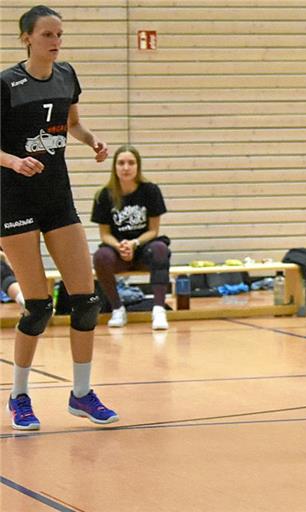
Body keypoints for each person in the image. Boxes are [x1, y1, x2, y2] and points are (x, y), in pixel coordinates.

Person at [0, 5, 118, 430]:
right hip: (13, 200)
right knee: (37, 308)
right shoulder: (6, 83)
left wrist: (92, 141)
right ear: (27, 38)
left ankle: (82, 395)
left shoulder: (67, 75)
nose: (55, 42)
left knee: (86, 301)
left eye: (59, 35)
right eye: (47, 35)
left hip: (57, 199)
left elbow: (72, 125)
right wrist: (13, 162)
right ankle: (19, 398)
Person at [91, 145, 170, 330]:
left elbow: (153, 231)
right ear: (114, 167)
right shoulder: (103, 195)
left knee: (161, 249)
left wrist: (134, 243)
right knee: (100, 257)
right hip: (118, 251)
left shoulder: (150, 190)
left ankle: (159, 309)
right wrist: (120, 246)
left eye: (131, 163)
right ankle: (117, 308)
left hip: (143, 248)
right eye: (121, 163)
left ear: (138, 166)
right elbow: (104, 234)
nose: (126, 167)